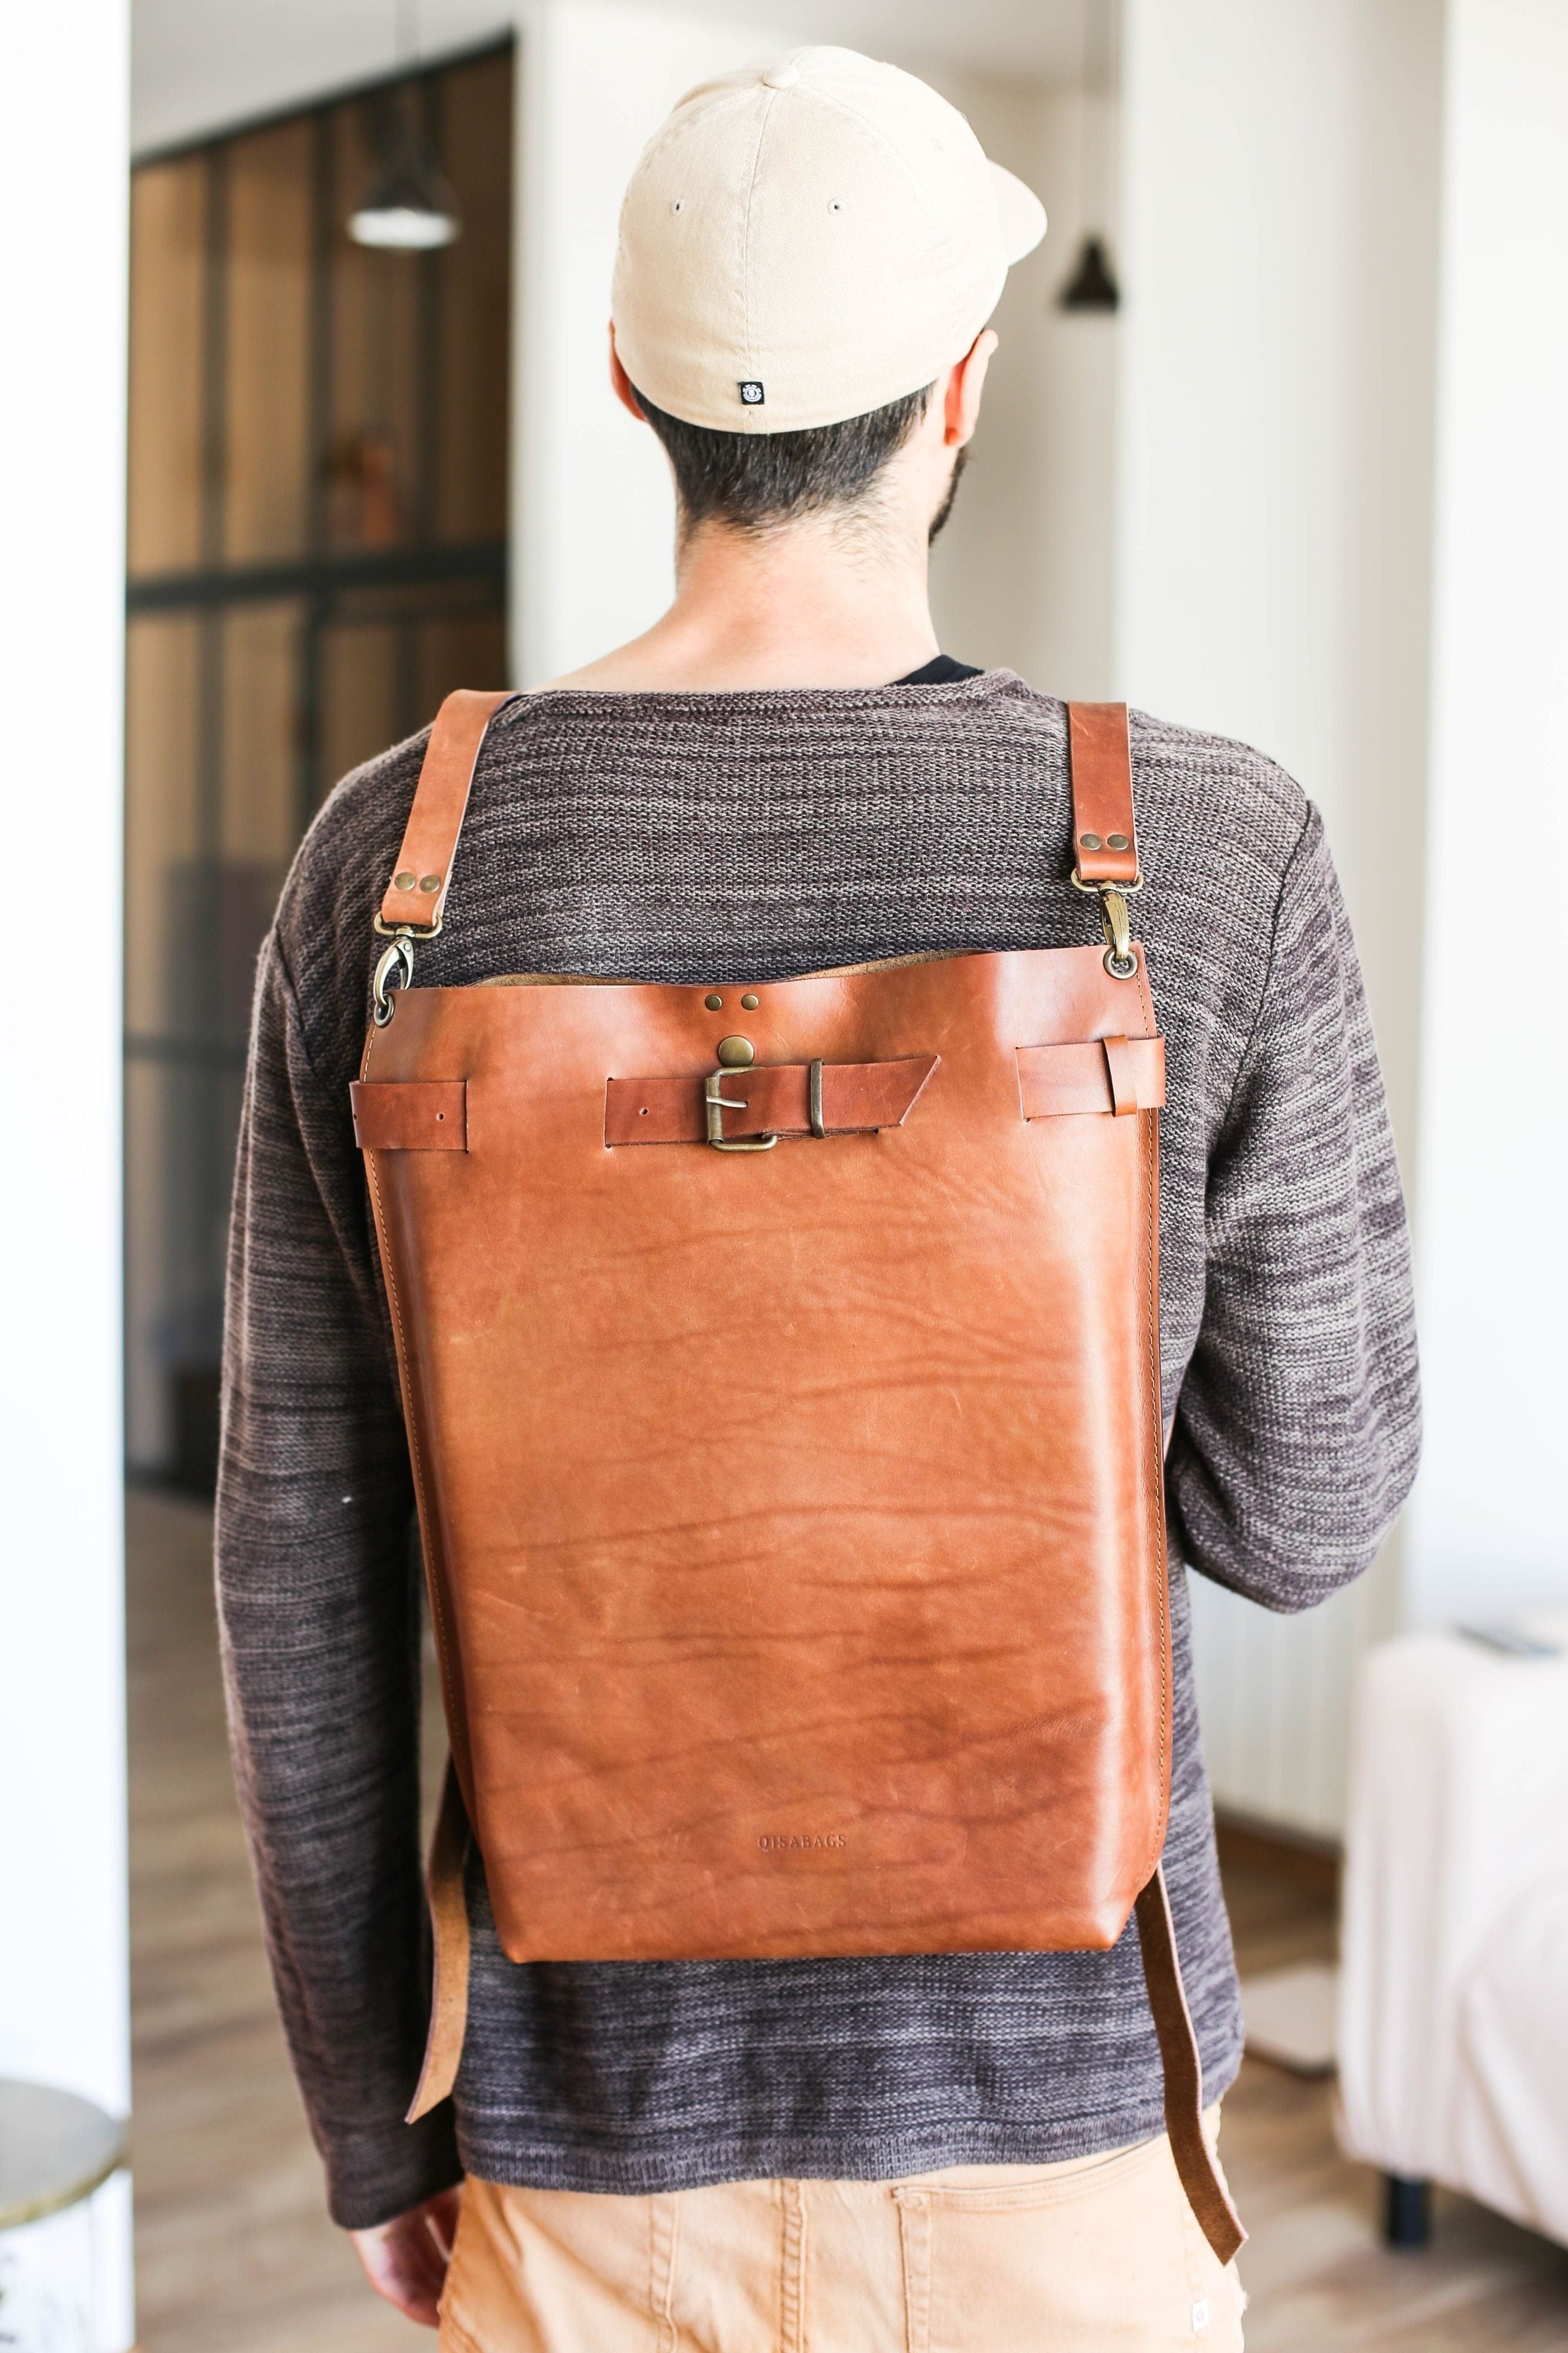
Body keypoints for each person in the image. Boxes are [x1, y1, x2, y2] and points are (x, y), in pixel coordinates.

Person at [218, 46, 1420, 2351]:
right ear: (960, 392)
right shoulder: (1217, 851)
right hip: (1070, 2144)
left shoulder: (390, 869)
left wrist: (379, 2116)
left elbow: (302, 1577)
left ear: (623, 387)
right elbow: (1301, 1519)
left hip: (582, 2153)